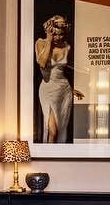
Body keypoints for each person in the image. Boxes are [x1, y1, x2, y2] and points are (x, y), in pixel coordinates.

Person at [34, 13, 82, 142]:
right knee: (52, 130)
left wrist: (71, 89)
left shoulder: (67, 47)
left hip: (64, 89)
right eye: (54, 34)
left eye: (61, 34)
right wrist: (49, 40)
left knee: (61, 129)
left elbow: (65, 71)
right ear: (48, 32)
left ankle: (57, 158)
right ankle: (48, 159)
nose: (58, 37)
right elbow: (42, 63)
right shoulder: (40, 43)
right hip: (47, 90)